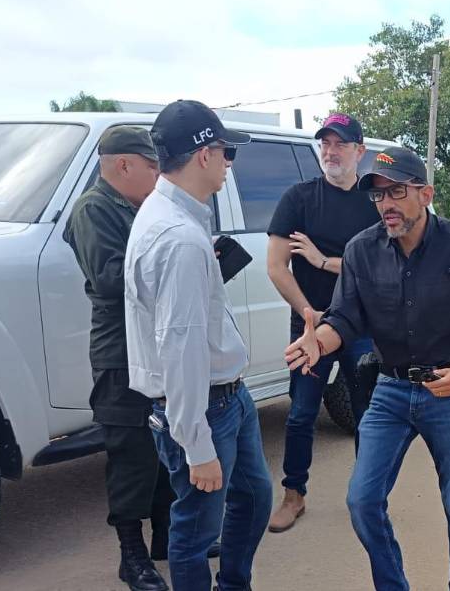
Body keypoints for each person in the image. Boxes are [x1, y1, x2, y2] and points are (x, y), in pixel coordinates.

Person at [285, 146, 450, 591]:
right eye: (378, 195)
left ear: (425, 194)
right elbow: (345, 318)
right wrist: (319, 341)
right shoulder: (361, 250)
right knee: (362, 501)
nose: (386, 204)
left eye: (396, 192)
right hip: (390, 391)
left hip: (449, 392)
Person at [125, 100, 273, 591]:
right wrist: (196, 445)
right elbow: (179, 347)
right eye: (227, 152)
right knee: (194, 532)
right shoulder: (179, 237)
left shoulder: (170, 215)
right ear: (205, 154)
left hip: (226, 396)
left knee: (253, 498)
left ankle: (234, 584)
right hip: (205, 406)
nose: (230, 163)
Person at [62, 126, 171, 591]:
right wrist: (171, 258)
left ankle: (167, 536)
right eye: (152, 166)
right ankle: (132, 555)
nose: (158, 176)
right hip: (120, 353)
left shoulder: (136, 205)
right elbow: (110, 278)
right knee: (132, 455)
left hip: (152, 345)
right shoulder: (94, 208)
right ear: (123, 164)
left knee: (166, 445)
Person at [265, 112, 381, 533]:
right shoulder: (298, 198)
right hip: (310, 327)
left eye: (340, 144)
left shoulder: (374, 203)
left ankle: (368, 497)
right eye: (325, 144)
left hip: (361, 327)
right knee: (300, 415)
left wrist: (321, 260)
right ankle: (293, 494)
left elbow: (378, 267)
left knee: (368, 415)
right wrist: (306, 311)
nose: (331, 152)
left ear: (359, 151)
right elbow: (276, 266)